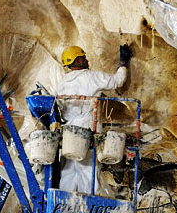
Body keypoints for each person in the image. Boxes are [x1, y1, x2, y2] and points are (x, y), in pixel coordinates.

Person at [56, 44, 132, 193]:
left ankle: (64, 202)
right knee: (88, 168)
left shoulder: (62, 83)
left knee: (69, 168)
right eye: (83, 58)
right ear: (78, 61)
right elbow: (117, 81)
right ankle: (87, 204)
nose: (87, 60)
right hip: (87, 129)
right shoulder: (91, 76)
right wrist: (123, 63)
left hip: (69, 133)